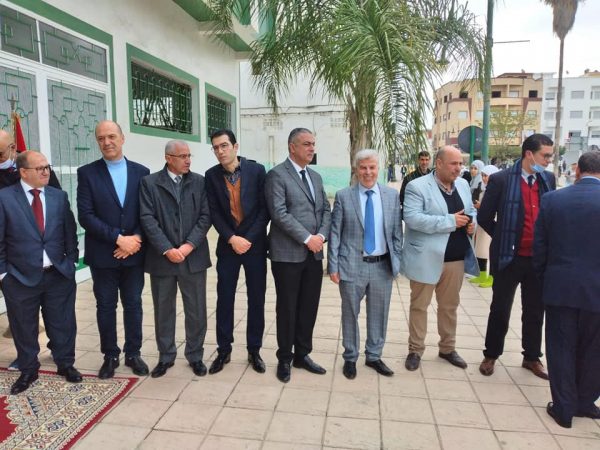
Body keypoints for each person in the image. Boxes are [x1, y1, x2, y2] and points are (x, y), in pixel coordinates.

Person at [0, 151, 82, 394]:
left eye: (47, 167)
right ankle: (28, 370)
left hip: (58, 274)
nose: (46, 172)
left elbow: (70, 232)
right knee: (24, 326)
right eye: (40, 168)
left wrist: (71, 263)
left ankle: (65, 364)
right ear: (24, 172)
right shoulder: (5, 198)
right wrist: (4, 275)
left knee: (63, 323)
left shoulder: (58, 196)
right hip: (19, 277)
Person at [477, 134, 556, 379]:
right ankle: (491, 354)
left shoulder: (548, 179)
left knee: (535, 310)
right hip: (508, 258)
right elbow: (484, 217)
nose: (549, 161)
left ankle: (531, 357)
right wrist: (504, 236)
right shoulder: (501, 180)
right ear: (529, 154)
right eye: (545, 155)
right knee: (500, 308)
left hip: (537, 259)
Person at [77, 120, 150, 379]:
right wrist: (119, 239)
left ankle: (133, 353)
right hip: (103, 255)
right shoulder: (87, 173)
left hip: (134, 254)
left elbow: (147, 212)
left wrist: (136, 239)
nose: (106, 142)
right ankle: (110, 355)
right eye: (101, 138)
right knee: (106, 306)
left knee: (133, 305)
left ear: (122, 138)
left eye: (111, 136)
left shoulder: (142, 172)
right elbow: (86, 216)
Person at [533, 151, 600, 428]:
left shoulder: (553, 200)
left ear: (577, 171)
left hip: (560, 287)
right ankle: (586, 402)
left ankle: (564, 408)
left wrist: (543, 279)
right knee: (595, 349)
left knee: (561, 347)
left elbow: (540, 247)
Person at [328, 149, 402, 379]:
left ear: (378, 169)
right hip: (351, 265)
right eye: (363, 168)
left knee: (379, 313)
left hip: (382, 266)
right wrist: (333, 266)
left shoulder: (391, 196)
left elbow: (397, 233)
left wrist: (397, 261)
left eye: (372, 167)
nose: (368, 172)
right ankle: (350, 357)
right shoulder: (344, 196)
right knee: (350, 313)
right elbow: (335, 233)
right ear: (356, 170)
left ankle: (374, 356)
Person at [140, 140, 212, 378]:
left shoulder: (199, 182)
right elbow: (147, 218)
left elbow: (205, 216)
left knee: (196, 310)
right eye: (183, 156)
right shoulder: (150, 183)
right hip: (162, 259)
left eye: (189, 156)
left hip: (193, 257)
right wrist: (167, 249)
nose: (188, 160)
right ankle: (166, 356)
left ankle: (195, 355)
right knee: (164, 310)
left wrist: (189, 245)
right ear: (168, 158)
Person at [402, 146, 478, 371]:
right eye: (454, 164)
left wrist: (472, 224)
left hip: (455, 259)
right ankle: (415, 350)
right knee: (419, 306)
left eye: (460, 164)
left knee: (449, 307)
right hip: (425, 257)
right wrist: (450, 221)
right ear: (439, 163)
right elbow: (412, 218)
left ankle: (447, 348)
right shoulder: (417, 186)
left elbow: (471, 211)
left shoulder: (462, 185)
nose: (459, 168)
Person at [265, 127, 331, 383]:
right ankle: (285, 358)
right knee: (287, 307)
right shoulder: (277, 175)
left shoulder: (315, 176)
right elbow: (279, 213)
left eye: (313, 143)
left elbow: (325, 210)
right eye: (306, 144)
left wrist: (321, 236)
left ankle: (302, 354)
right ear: (292, 147)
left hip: (314, 254)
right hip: (287, 256)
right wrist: (307, 238)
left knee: (308, 306)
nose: (312, 148)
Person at [205, 129, 269, 375]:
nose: (220, 151)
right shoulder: (211, 176)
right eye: (216, 147)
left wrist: (247, 239)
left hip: (254, 246)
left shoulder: (257, 171)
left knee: (256, 298)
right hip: (228, 246)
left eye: (224, 146)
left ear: (235, 146)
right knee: (225, 298)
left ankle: (254, 350)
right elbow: (213, 212)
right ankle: (224, 350)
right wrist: (232, 238)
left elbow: (265, 210)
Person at [0, 129, 61, 372]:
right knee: (20, 313)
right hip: (12, 259)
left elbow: (58, 208)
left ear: (13, 149)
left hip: (44, 254)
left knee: (54, 310)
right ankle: (25, 356)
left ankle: (58, 348)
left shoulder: (34, 168)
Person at [469, 164, 499, 288]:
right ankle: (482, 274)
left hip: (492, 224)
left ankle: (492, 277)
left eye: (486, 176)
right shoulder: (483, 188)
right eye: (483, 175)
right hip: (482, 223)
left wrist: (482, 206)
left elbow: (496, 207)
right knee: (480, 250)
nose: (484, 178)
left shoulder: (498, 189)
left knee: (489, 251)